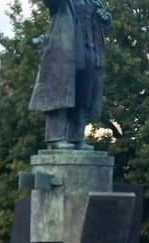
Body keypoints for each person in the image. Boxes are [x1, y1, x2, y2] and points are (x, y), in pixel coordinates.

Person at [29, 0, 111, 149]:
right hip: (66, 53)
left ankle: (76, 137)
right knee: (60, 94)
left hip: (90, 52)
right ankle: (55, 138)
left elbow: (104, 22)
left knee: (83, 97)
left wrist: (106, 18)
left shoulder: (93, 1)